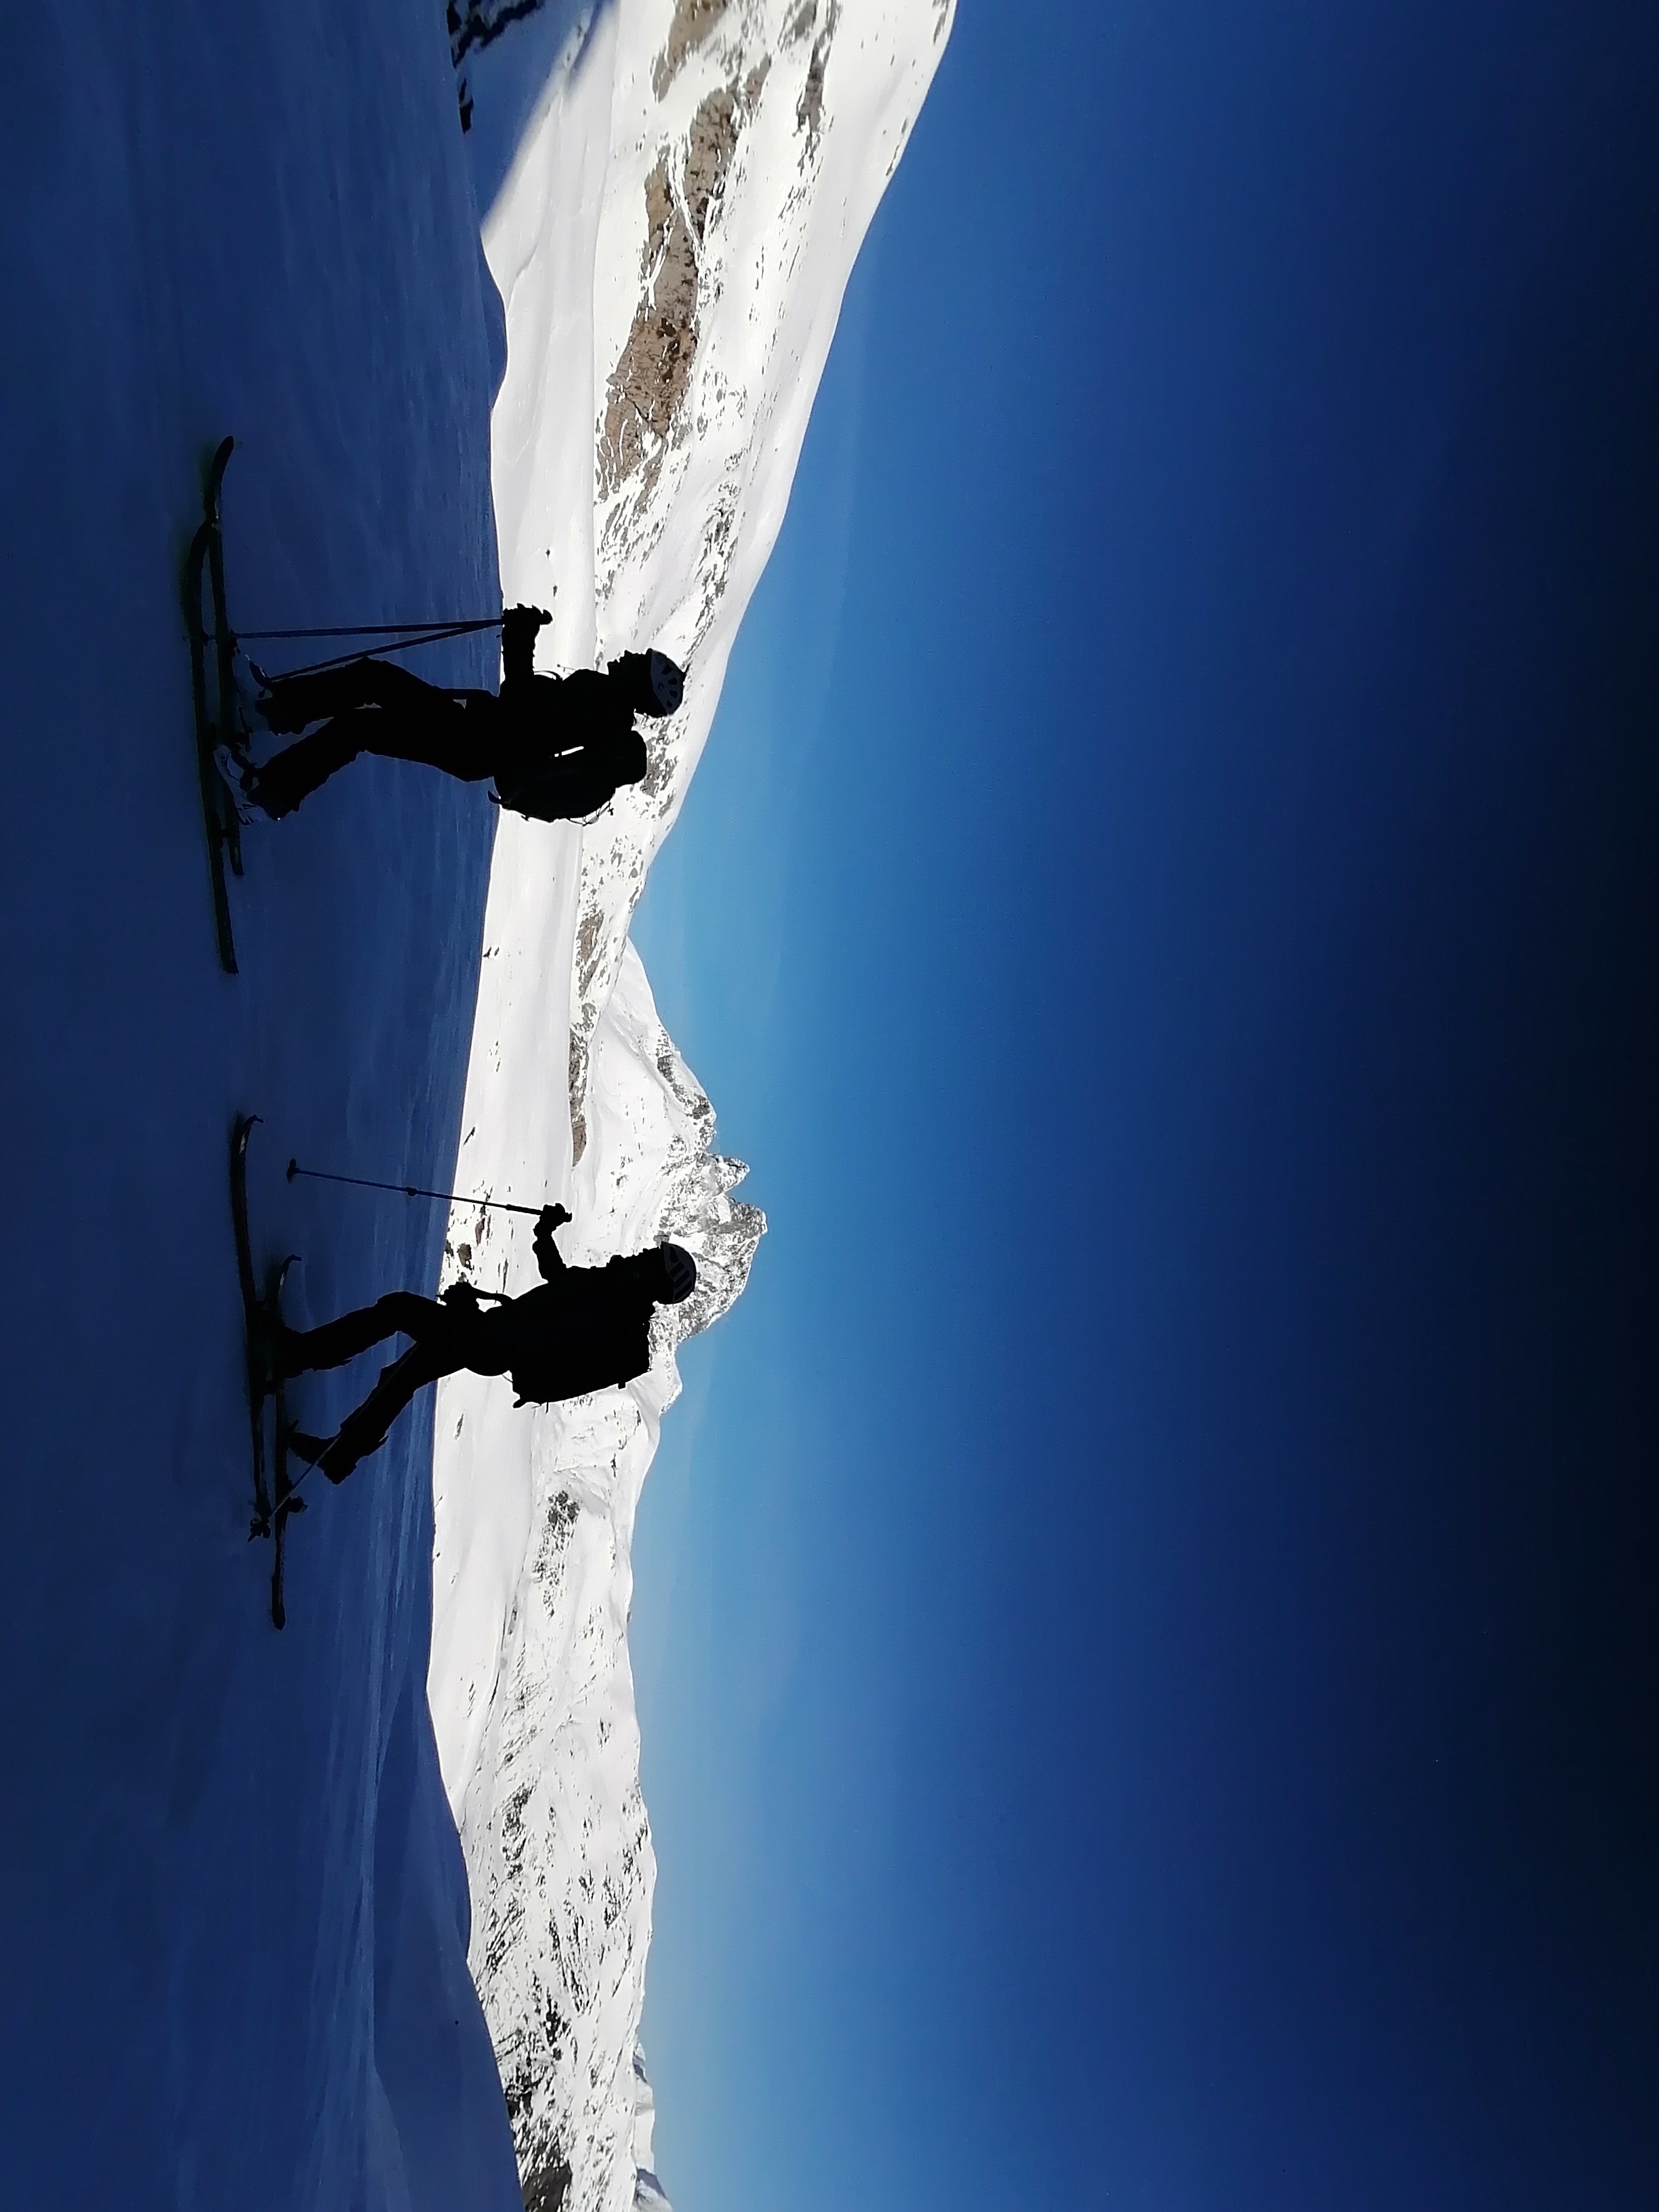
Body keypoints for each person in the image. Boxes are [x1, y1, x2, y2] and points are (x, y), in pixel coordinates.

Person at [273, 1204, 697, 1484]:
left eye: (652, 1258)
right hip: (491, 1342)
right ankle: (340, 1451)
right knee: (405, 1373)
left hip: (490, 1342)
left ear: (656, 1279)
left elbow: (539, 1335)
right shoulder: (613, 1295)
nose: (644, 1253)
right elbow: (560, 1281)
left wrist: (470, 1318)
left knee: (400, 1312)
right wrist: (544, 1234)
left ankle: (298, 1358)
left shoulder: (612, 1308)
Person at [240, 605, 685, 822]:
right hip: (476, 743)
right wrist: (520, 641)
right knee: (367, 706)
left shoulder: (599, 702)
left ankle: (270, 776)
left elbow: (522, 705)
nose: (631, 655)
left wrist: (520, 639)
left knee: (366, 705)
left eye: (640, 662)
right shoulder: (606, 712)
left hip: (474, 739)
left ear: (641, 685)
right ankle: (273, 728)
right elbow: (531, 716)